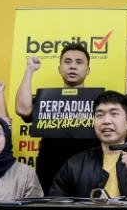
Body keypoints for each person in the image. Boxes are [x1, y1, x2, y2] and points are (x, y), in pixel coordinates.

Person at [15, 43, 97, 192]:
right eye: (67, 61)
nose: (72, 66)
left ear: (88, 70)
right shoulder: (47, 99)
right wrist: (30, 70)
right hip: (50, 168)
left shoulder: (99, 101)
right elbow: (22, 109)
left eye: (79, 62)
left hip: (88, 168)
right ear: (59, 68)